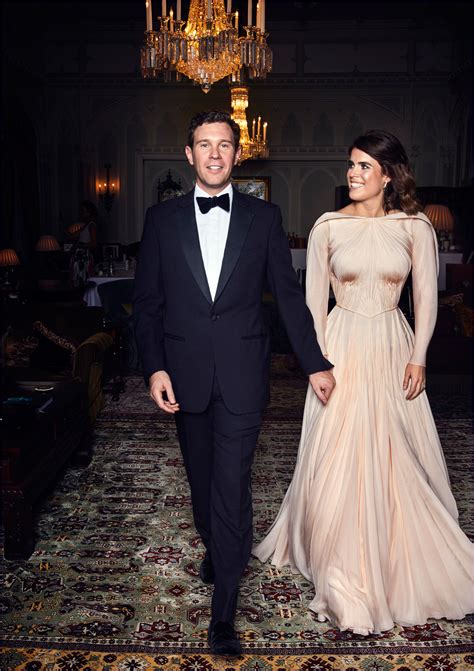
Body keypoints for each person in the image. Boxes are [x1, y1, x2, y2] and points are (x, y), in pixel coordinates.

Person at [253, 129, 474, 634]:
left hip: (395, 349)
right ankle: (339, 560)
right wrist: (317, 362)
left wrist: (419, 357)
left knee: (398, 451)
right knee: (338, 452)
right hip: (342, 348)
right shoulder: (327, 225)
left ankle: (398, 551)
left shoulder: (415, 227)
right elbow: (312, 304)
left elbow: (426, 300)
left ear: (389, 175)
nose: (352, 173)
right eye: (350, 164)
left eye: (363, 166)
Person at [132, 110, 336, 655]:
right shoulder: (161, 220)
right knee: (202, 487)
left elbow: (287, 299)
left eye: (225, 145)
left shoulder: (264, 218)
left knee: (231, 484)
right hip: (185, 375)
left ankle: (223, 610)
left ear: (238, 153)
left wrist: (314, 361)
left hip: (245, 374)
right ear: (189, 153)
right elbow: (147, 306)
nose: (215, 154)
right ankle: (217, 545)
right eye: (205, 145)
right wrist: (154, 367)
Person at [69, 200, 98, 286]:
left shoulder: (91, 225)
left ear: (89, 212)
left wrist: (79, 246)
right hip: (80, 255)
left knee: (83, 279)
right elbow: (72, 235)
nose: (81, 213)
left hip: (84, 256)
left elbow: (94, 243)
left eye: (83, 211)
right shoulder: (85, 225)